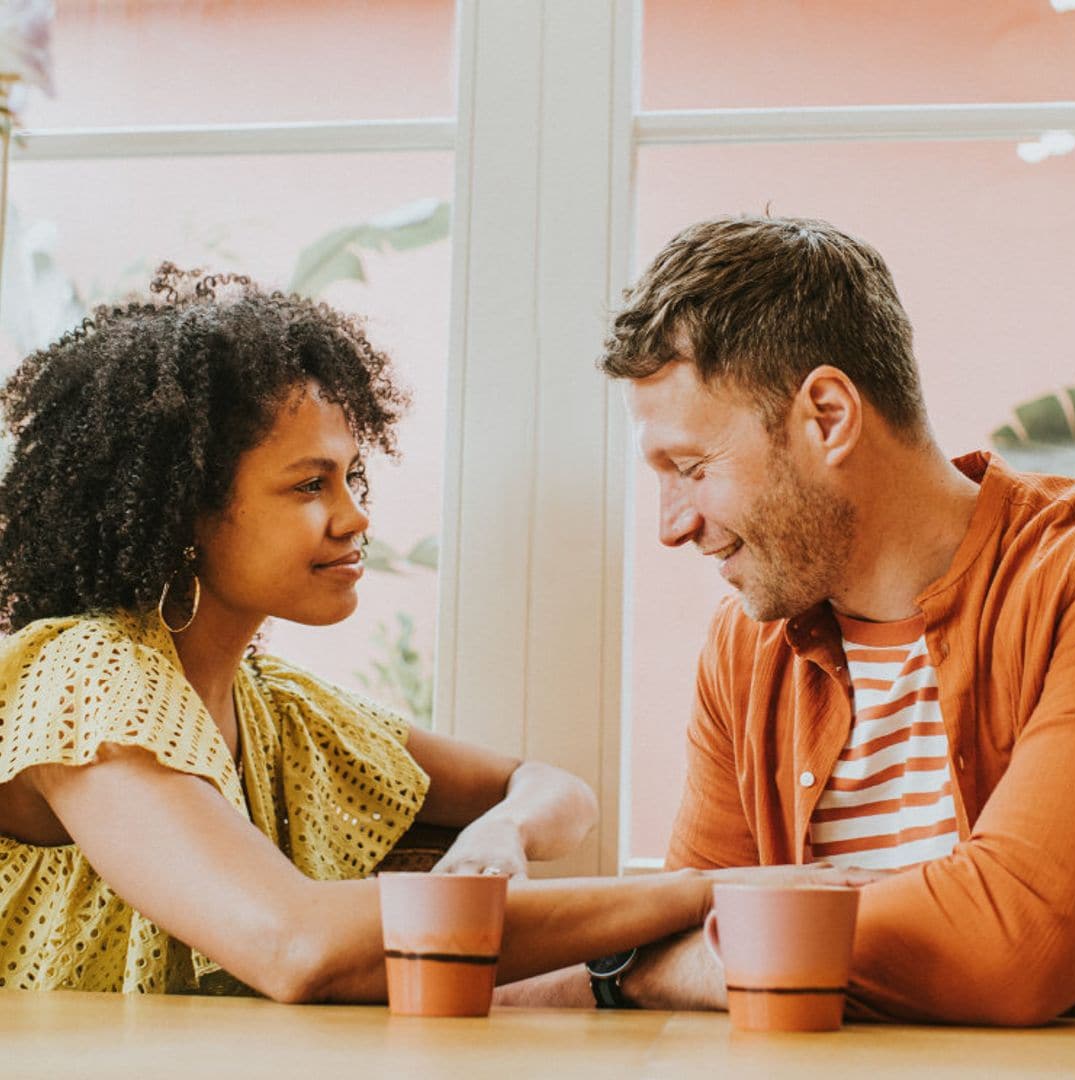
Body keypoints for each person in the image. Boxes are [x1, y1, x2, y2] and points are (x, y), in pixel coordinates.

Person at [0, 265, 725, 999]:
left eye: (351, 476)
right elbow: (298, 945)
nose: (356, 517)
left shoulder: (279, 711)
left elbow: (550, 788)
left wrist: (506, 831)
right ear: (185, 511)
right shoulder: (88, 678)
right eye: (310, 485)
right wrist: (705, 896)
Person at [499, 215, 1075, 1025]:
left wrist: (634, 970)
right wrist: (664, 959)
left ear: (830, 417)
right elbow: (678, 933)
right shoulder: (747, 644)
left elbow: (1009, 946)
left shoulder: (1066, 583)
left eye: (693, 468)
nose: (672, 525)